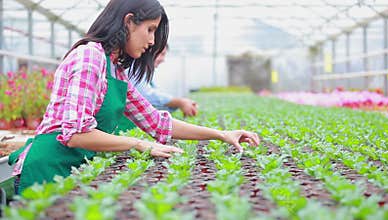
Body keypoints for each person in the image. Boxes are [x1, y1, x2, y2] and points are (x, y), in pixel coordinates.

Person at [8, 0, 260, 194]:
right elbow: (76, 134)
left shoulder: (115, 69)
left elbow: (158, 122)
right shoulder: (90, 56)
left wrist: (221, 135)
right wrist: (140, 144)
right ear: (128, 22)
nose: (152, 41)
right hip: (47, 168)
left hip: (74, 168)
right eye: (150, 29)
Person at [116, 45, 198, 132]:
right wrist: (179, 102)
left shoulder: (145, 72)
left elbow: (154, 103)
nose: (163, 59)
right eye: (161, 54)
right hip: (123, 128)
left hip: (130, 129)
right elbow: (146, 96)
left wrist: (179, 103)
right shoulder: (134, 67)